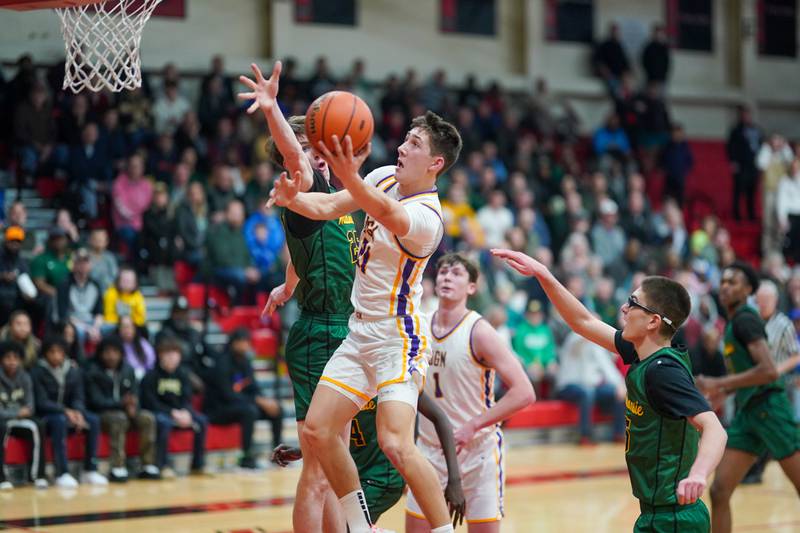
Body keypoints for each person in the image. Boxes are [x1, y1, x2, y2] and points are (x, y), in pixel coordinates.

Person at [268, 81, 462, 531]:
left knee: (394, 443)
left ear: (435, 163)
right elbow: (332, 203)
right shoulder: (381, 178)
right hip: (359, 332)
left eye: (413, 144)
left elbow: (389, 215)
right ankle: (359, 526)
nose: (401, 147)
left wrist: (349, 174)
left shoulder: (428, 218)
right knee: (317, 431)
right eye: (404, 138)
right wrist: (292, 197)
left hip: (399, 336)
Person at [491, 248, 727, 532]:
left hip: (674, 517)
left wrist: (699, 475)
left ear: (653, 321)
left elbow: (714, 428)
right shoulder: (642, 351)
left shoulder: (663, 372)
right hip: (655, 514)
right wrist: (543, 273)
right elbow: (583, 322)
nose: (624, 308)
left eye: (633, 303)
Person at [240, 61, 360, 532]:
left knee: (335, 466)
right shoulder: (301, 186)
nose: (318, 157)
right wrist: (272, 108)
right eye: (311, 150)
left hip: (345, 333)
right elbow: (294, 156)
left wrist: (287, 285)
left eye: (322, 149)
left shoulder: (333, 195)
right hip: (318, 336)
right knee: (315, 473)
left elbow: (301, 252)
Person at [406, 253, 535, 532]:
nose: (446, 277)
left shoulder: (480, 332)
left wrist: (472, 425)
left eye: (456, 274)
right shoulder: (419, 326)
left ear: (472, 288)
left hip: (477, 452)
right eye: (442, 273)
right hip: (428, 449)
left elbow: (525, 392)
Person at [695, 262, 800, 532]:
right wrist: (725, 391)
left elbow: (767, 371)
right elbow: (748, 372)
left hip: (770, 408)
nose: (726, 286)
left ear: (749, 289)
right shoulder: (734, 322)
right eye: (724, 281)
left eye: (734, 282)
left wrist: (718, 381)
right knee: (719, 491)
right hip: (748, 412)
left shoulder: (745, 318)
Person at [273, 390, 466, 527]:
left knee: (345, 525)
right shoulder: (344, 382)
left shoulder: (389, 379)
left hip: (382, 477)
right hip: (351, 474)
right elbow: (334, 432)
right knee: (331, 523)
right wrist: (302, 450)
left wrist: (455, 480)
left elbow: (441, 418)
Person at [31, 337, 108, 487]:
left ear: (65, 353)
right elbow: (41, 402)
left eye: (59, 352)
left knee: (93, 420)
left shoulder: (73, 371)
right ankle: (62, 472)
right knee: (59, 421)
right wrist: (66, 411)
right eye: (52, 352)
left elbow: (79, 396)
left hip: (69, 412)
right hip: (47, 414)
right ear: (45, 354)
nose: (56, 356)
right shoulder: (37, 372)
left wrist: (78, 412)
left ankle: (90, 470)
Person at [203, 329, 283, 469]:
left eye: (247, 342)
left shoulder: (245, 362)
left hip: (241, 404)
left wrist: (265, 401)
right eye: (243, 342)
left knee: (276, 409)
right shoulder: (223, 363)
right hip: (218, 409)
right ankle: (246, 457)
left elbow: (253, 387)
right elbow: (227, 395)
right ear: (234, 343)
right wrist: (257, 401)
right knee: (250, 411)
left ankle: (277, 454)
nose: (246, 345)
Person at [85, 337, 160, 482]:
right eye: (107, 352)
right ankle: (117, 466)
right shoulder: (93, 371)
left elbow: (135, 393)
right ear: (100, 353)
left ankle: (147, 464)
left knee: (147, 418)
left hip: (125, 410)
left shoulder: (128, 370)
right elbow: (96, 401)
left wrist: (133, 406)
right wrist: (121, 404)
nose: (111, 356)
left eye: (115, 352)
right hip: (103, 413)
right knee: (119, 419)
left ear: (121, 354)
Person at [140, 339, 208, 478]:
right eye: (168, 354)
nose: (172, 358)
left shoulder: (182, 375)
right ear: (160, 356)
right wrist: (172, 413)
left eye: (175, 354)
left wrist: (186, 412)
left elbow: (186, 398)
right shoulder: (151, 376)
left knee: (202, 421)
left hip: (179, 412)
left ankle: (198, 465)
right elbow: (149, 402)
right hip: (159, 412)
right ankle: (162, 465)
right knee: (163, 423)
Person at [0, 340, 47, 490]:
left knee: (38, 425)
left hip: (19, 419)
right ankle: (2, 478)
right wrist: (16, 413)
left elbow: (30, 406)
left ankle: (37, 476)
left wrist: (20, 413)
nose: (12, 361)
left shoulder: (25, 377)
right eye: (8, 357)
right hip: (4, 420)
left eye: (15, 358)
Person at [54, 248, 103, 344]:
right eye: (79, 262)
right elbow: (64, 315)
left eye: (85, 262)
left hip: (92, 323)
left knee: (113, 329)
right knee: (78, 332)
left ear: (90, 265)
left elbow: (99, 313)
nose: (83, 265)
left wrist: (95, 328)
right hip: (73, 323)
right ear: (73, 264)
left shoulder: (95, 285)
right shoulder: (64, 285)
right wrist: (87, 328)